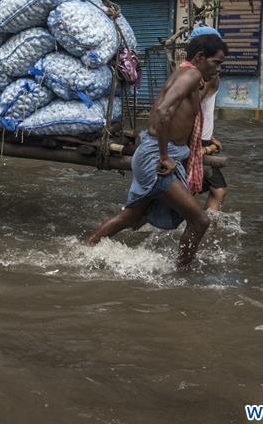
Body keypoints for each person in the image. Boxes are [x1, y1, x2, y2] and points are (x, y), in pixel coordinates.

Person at [85, 27, 228, 269]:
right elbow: (163, 112)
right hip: (157, 157)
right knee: (200, 221)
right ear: (200, 57)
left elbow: (177, 112)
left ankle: (86, 249)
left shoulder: (187, 74)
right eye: (215, 62)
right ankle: (182, 273)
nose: (218, 68)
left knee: (131, 217)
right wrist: (164, 156)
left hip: (154, 152)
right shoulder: (191, 76)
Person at [200, 72, 228, 212]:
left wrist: (210, 137)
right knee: (218, 190)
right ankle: (204, 230)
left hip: (200, 139)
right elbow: (192, 108)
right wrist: (207, 147)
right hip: (197, 142)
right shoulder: (209, 77)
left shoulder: (188, 75)